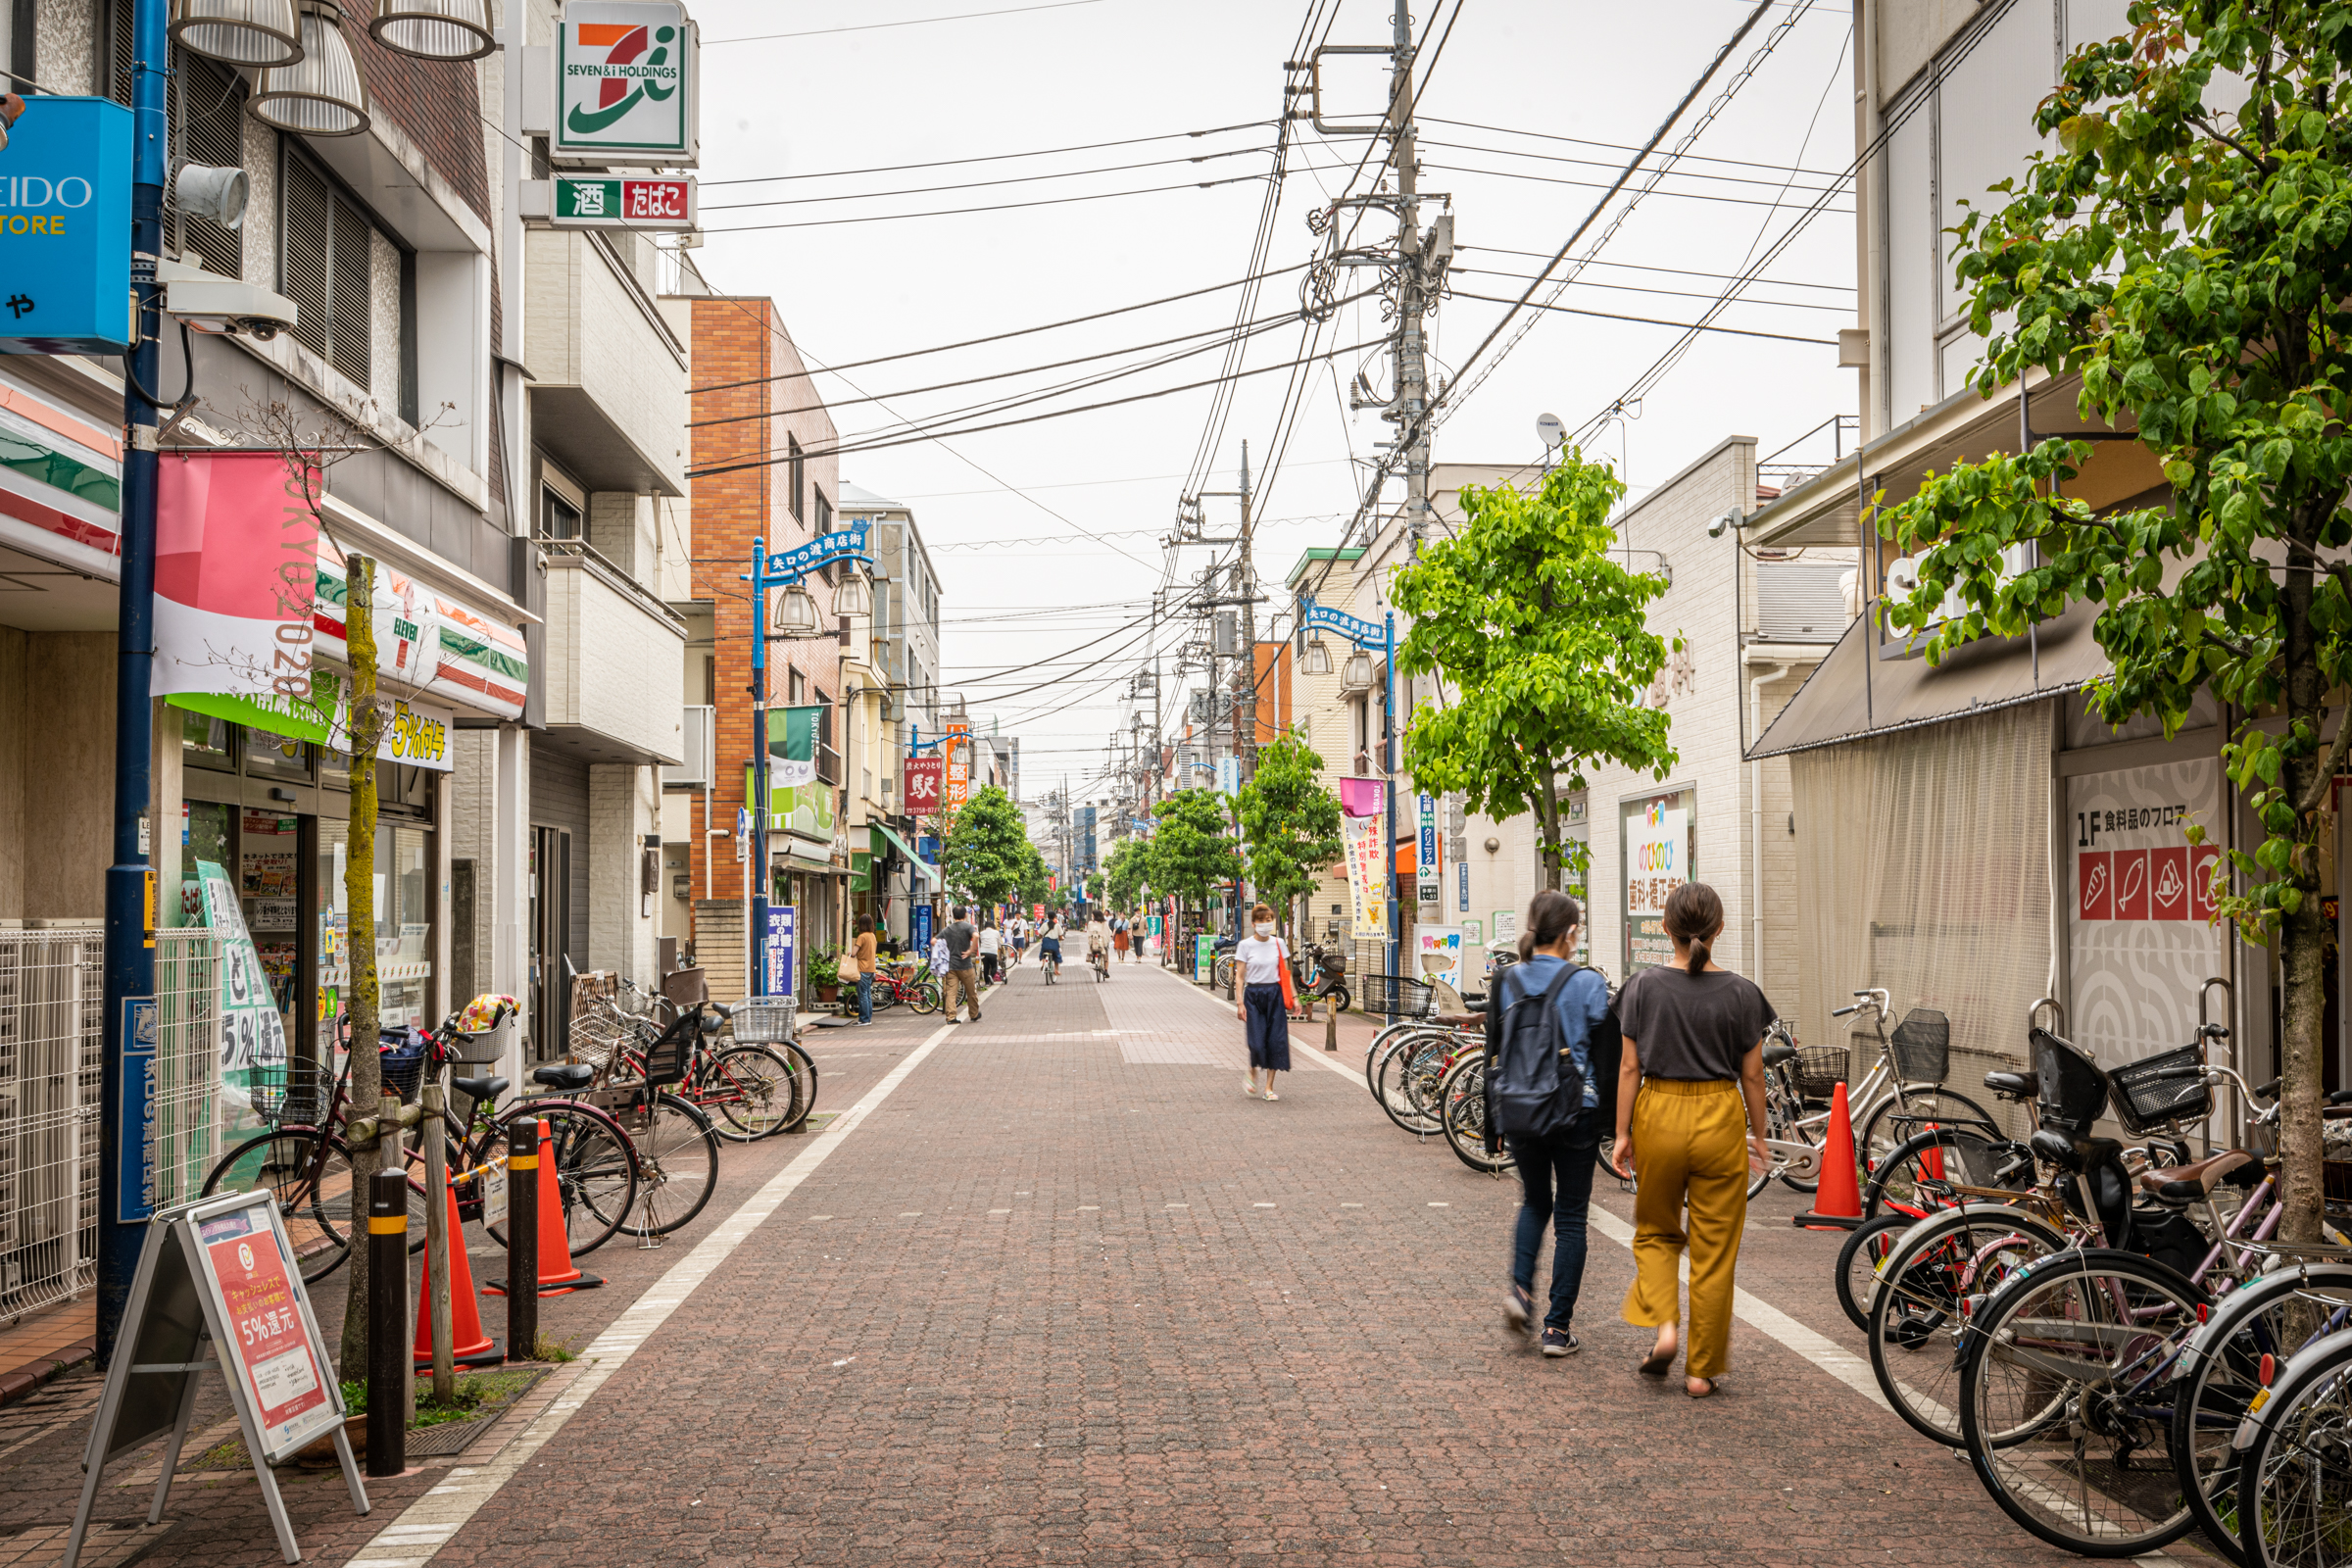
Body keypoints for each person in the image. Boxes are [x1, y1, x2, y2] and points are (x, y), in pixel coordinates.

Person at [1610, 881, 1774, 1398]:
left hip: (1657, 1111)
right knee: (1715, 1249)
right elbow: (1752, 1075)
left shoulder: (1642, 987)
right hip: (1720, 1115)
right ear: (1719, 929)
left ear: (1666, 928)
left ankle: (1665, 1329)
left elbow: (1630, 1066)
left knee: (1656, 1231)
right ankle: (1701, 1371)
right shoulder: (1744, 993)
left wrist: (1621, 1133)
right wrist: (1760, 1133)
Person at [1489, 890, 1610, 1357]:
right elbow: (1604, 1054)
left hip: (1519, 1108)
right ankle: (1557, 1330)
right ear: (1571, 933)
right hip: (1573, 1110)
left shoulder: (1505, 980)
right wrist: (1612, 1126)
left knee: (1534, 1202)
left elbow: (1492, 1055)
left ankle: (1521, 1291)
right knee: (1572, 1218)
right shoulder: (1587, 983)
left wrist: (1493, 1121)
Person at [1232, 903, 1292, 1100]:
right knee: (1256, 1042)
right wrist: (1240, 1003)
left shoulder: (1279, 943)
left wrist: (1295, 997)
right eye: (1262, 921)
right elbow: (1239, 977)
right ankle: (1252, 1070)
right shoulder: (1245, 945)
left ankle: (1268, 1088)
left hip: (1274, 994)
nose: (1266, 924)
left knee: (1276, 1040)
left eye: (1269, 920)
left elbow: (1286, 973)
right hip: (1254, 995)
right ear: (1253, 923)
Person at [941, 906, 982, 1023]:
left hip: (951, 966)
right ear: (965, 915)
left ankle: (951, 1017)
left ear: (953, 915)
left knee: (951, 993)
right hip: (965, 966)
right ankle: (974, 1014)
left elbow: (934, 940)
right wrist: (970, 950)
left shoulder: (948, 929)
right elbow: (976, 936)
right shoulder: (968, 927)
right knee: (971, 991)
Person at [850, 914, 878, 1026]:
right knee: (867, 994)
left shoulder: (862, 937)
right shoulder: (872, 936)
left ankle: (864, 1019)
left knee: (862, 995)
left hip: (862, 968)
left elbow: (853, 953)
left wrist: (850, 955)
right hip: (871, 969)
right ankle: (868, 1018)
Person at [1085, 912, 1111, 979]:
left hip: (1093, 942)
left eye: (1092, 915)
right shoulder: (1104, 923)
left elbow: (1089, 933)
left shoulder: (1091, 923)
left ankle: (1092, 959)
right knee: (1106, 956)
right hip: (1103, 942)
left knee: (1092, 949)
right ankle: (1105, 970)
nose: (1092, 916)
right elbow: (1108, 932)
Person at [1038, 918, 1063, 984]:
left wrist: (1042, 937)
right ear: (1054, 917)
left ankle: (1043, 962)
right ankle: (1056, 970)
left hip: (1045, 943)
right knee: (1056, 955)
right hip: (1054, 943)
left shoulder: (1044, 925)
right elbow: (1060, 937)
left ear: (1048, 917)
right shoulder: (1057, 926)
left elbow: (1040, 935)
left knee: (1043, 952)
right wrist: (1062, 938)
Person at [978, 918, 1002, 986]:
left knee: (986, 967)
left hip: (984, 951)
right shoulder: (996, 932)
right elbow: (999, 942)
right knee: (994, 966)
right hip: (993, 951)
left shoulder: (981, 933)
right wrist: (1000, 947)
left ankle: (987, 983)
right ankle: (991, 976)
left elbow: (981, 942)